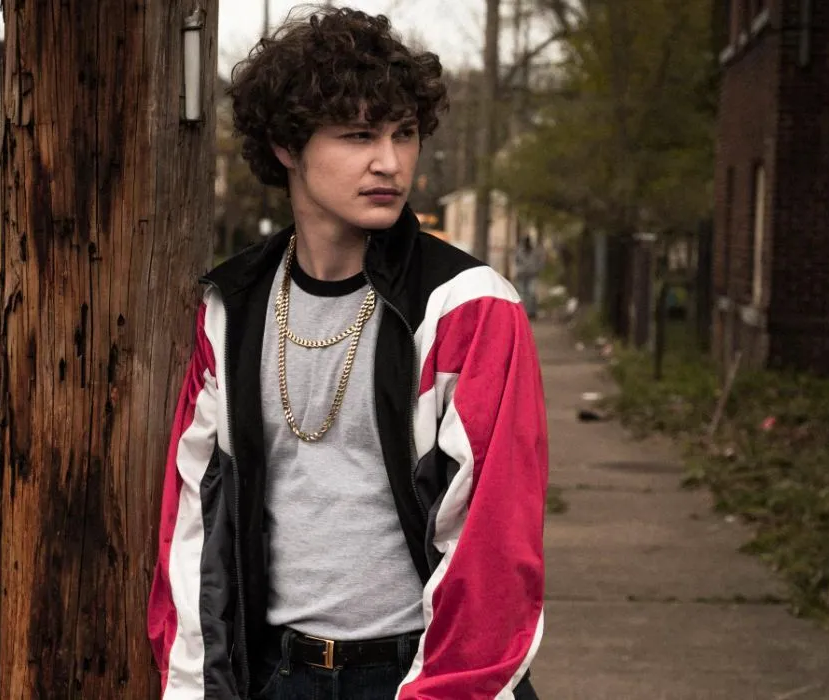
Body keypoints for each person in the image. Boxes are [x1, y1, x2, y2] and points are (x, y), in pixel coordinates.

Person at [148, 8, 548, 699]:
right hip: (275, 675)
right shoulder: (231, 309)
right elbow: (193, 529)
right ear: (285, 145)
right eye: (358, 135)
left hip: (410, 676)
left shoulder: (467, 308)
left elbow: (493, 552)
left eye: (404, 134)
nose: (389, 162)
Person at [512, 237, 544, 319]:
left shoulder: (535, 251)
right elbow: (515, 262)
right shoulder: (519, 251)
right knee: (522, 294)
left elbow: (540, 262)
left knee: (532, 293)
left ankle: (533, 312)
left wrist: (537, 269)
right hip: (522, 275)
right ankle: (523, 313)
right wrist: (517, 271)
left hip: (532, 275)